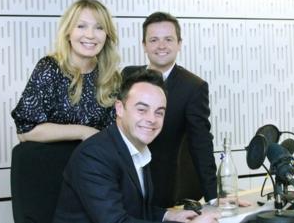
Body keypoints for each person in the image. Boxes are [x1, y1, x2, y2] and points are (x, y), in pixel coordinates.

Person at [52, 69, 220, 223]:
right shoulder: (94, 156)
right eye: (142, 109)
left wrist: (168, 215)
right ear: (120, 108)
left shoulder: (138, 148)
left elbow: (136, 210)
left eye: (159, 112)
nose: (152, 119)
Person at [10, 0, 120, 223]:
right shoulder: (49, 67)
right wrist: (83, 131)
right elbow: (26, 130)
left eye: (99, 27)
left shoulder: (111, 77)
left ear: (107, 35)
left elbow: (112, 137)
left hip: (90, 176)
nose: (90, 35)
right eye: (81, 26)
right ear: (68, 31)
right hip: (46, 179)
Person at [121, 11, 217, 208]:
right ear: (144, 45)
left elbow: (201, 142)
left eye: (168, 39)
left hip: (163, 184)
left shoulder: (193, 86)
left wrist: (212, 197)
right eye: (154, 40)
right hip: (122, 179)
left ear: (179, 44)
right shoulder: (128, 76)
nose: (161, 46)